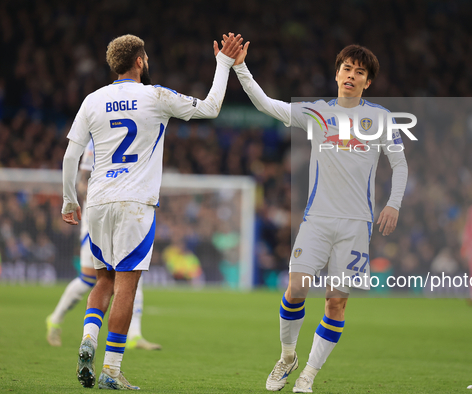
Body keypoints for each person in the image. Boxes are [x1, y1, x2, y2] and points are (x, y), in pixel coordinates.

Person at [61, 33, 242, 390]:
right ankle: (111, 371)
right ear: (140, 61)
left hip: (97, 200)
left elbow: (70, 156)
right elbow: (210, 108)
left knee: (103, 280)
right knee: (127, 285)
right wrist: (223, 64)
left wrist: (70, 200)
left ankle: (88, 339)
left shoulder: (92, 100)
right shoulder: (156, 95)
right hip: (135, 204)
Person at [229, 39, 408, 393]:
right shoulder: (316, 112)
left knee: (336, 301)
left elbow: (400, 164)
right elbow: (265, 104)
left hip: (357, 224)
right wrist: (239, 67)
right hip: (318, 219)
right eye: (346, 69)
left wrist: (394, 203)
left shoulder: (381, 118)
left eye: (360, 73)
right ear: (336, 73)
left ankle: (308, 376)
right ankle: (288, 357)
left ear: (368, 82)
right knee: (296, 289)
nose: (351, 76)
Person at [48, 140, 161, 350]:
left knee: (133, 273)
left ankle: (134, 334)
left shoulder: (133, 135)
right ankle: (55, 319)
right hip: (98, 217)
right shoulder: (97, 139)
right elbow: (82, 183)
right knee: (90, 279)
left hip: (124, 214)